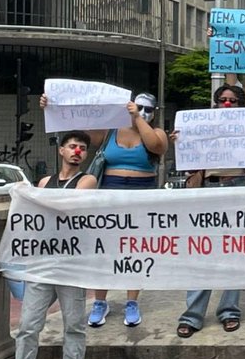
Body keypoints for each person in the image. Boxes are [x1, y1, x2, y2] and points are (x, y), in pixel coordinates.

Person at [41, 90, 167, 330]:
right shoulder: (110, 131)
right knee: (105, 249)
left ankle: (132, 301)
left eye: (148, 109)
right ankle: (100, 301)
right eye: (138, 107)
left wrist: (137, 118)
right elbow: (79, 126)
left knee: (135, 249)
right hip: (109, 193)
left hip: (142, 195)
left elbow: (156, 146)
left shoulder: (157, 132)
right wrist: (53, 106)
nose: (143, 112)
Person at [6, 131, 98, 359]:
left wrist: (34, 197)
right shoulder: (45, 182)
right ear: (61, 150)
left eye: (82, 148)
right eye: (72, 146)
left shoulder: (87, 180)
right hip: (43, 263)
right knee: (28, 324)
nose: (77, 152)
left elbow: (69, 206)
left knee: (74, 325)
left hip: (71, 265)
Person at [175, 84, 245, 337]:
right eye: (222, 100)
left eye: (232, 100)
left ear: (240, 105)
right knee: (202, 251)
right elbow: (190, 167)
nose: (227, 104)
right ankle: (193, 315)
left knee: (235, 251)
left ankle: (229, 311)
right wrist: (181, 143)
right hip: (208, 189)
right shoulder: (202, 127)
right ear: (216, 103)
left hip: (237, 187)